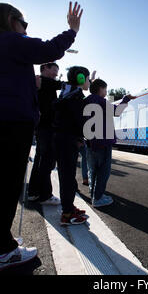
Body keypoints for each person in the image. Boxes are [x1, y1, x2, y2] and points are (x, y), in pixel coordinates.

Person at [0, 1, 83, 272]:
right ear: (10, 19)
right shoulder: (9, 39)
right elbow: (48, 50)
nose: (25, 30)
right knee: (6, 186)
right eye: (24, 24)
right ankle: (3, 250)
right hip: (10, 121)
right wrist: (72, 31)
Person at [84, 79, 135, 207]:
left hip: (89, 142)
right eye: (105, 89)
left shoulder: (85, 101)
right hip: (103, 142)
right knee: (103, 171)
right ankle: (98, 198)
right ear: (100, 89)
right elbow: (117, 112)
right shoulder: (101, 101)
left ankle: (93, 194)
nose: (106, 92)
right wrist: (126, 99)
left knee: (92, 169)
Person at [52, 66, 92, 225]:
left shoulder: (67, 92)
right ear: (81, 78)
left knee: (67, 175)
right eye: (87, 78)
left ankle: (69, 207)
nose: (88, 81)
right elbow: (79, 121)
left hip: (63, 138)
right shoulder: (75, 97)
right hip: (67, 140)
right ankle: (67, 214)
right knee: (67, 176)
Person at [28, 63, 62, 205]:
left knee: (40, 160)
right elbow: (62, 85)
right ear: (45, 68)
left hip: (43, 126)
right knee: (46, 161)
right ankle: (45, 195)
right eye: (54, 69)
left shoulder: (43, 83)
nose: (56, 72)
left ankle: (34, 192)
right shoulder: (42, 80)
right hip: (46, 127)